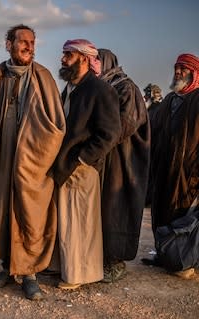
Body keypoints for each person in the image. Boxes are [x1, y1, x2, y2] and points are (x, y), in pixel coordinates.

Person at [0, 24, 66, 300]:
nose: (28, 46)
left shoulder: (44, 78)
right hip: (0, 158)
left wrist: (38, 151)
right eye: (22, 41)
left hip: (34, 162)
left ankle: (29, 274)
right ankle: (7, 268)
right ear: (8, 44)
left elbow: (57, 125)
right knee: (1, 213)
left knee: (30, 215)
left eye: (32, 42)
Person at [49, 39, 121, 290]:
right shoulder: (71, 88)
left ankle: (79, 275)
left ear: (83, 58)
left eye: (67, 54)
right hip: (64, 165)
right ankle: (64, 267)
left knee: (80, 223)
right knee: (66, 221)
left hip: (82, 167)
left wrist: (82, 158)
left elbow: (111, 132)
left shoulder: (100, 89)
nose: (63, 58)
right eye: (63, 54)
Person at [97, 48, 150, 283]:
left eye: (96, 61)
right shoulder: (105, 86)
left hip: (124, 160)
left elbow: (124, 124)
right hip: (107, 157)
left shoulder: (126, 87)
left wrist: (96, 142)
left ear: (107, 62)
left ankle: (116, 262)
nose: (92, 65)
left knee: (117, 208)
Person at [145, 53, 199, 279]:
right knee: (161, 213)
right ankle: (163, 254)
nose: (178, 72)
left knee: (183, 218)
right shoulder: (168, 100)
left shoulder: (197, 99)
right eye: (177, 68)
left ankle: (185, 262)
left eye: (183, 69)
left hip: (189, 174)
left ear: (194, 73)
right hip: (164, 169)